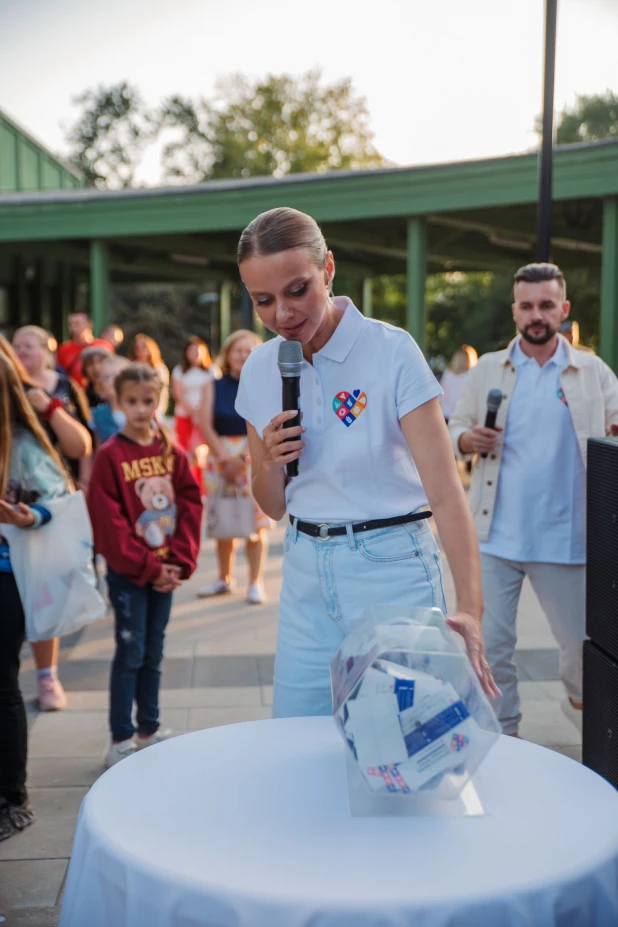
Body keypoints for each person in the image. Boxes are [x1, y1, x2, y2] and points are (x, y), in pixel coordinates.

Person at [232, 207, 498, 717]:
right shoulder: (262, 368)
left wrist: (470, 608)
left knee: (407, 744)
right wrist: (266, 459)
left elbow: (444, 491)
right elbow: (272, 507)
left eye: (297, 290)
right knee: (296, 741)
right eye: (263, 300)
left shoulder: (391, 351)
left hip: (393, 567)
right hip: (306, 572)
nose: (282, 314)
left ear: (328, 269)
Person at [449, 262, 618, 736]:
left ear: (563, 310)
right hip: (494, 536)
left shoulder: (592, 371)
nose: (536, 314)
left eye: (546, 305)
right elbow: (452, 429)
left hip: (568, 537)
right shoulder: (487, 369)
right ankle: (503, 740)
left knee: (581, 653)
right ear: (515, 311)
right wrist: (467, 441)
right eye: (527, 306)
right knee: (490, 648)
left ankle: (588, 714)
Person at [87, 363, 202, 767]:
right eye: (132, 401)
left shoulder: (170, 449)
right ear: (118, 401)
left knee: (154, 651)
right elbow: (110, 523)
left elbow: (191, 502)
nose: (140, 409)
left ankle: (148, 729)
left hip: (165, 571)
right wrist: (148, 567)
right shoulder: (110, 456)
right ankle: (121, 738)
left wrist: (181, 561)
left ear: (160, 400)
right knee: (131, 652)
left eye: (148, 401)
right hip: (131, 575)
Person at [0, 353, 71, 840]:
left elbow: (58, 498)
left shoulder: (20, 442)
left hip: (6, 577)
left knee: (2, 683)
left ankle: (11, 796)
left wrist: (30, 517)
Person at [7, 330, 92, 711]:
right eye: (18, 344)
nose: (23, 350)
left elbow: (80, 444)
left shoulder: (49, 392)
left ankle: (46, 675)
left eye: (30, 345)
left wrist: (48, 407)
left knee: (44, 592)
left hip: (43, 505)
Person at [198, 330, 271, 605]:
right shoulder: (212, 385)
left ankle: (256, 581)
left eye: (249, 350)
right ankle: (224, 577)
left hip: (253, 455)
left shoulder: (265, 386)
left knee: (258, 524)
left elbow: (267, 423)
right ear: (228, 354)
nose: (243, 355)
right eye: (237, 350)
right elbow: (204, 423)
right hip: (220, 459)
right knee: (224, 521)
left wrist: (242, 458)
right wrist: (224, 458)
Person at [171, 337, 215, 491]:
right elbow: (178, 394)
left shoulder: (212, 371)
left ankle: (204, 487)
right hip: (184, 417)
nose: (195, 353)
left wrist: (201, 414)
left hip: (206, 418)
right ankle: (187, 485)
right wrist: (192, 412)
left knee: (204, 451)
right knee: (185, 452)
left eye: (198, 350)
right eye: (191, 350)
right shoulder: (179, 371)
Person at [56, 312, 112, 386]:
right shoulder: (63, 349)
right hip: (75, 392)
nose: (73, 327)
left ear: (89, 324)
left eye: (77, 324)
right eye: (70, 324)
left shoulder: (103, 345)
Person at [90, 354, 129, 445]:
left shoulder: (141, 410)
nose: (111, 381)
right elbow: (98, 449)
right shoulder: (97, 415)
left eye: (116, 376)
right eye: (106, 377)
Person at [129, 334, 170, 419]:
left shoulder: (159, 369)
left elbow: (163, 391)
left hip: (154, 409)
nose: (140, 350)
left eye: (143, 347)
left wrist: (159, 409)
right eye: (137, 347)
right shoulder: (130, 367)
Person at [440, 345, 478, 422]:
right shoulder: (471, 374)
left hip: (446, 413)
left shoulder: (447, 373)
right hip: (462, 415)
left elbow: (442, 395)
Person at [81, 345, 112, 411]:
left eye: (100, 362)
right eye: (90, 364)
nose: (96, 367)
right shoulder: (81, 397)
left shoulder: (118, 394)